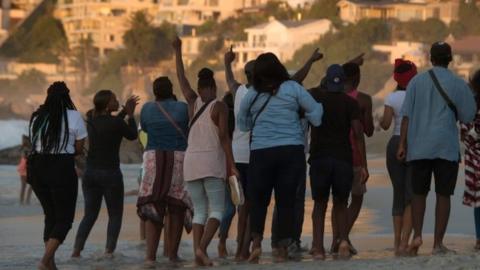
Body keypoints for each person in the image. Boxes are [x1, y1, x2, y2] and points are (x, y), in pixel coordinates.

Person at [222, 46, 324, 260]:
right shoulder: (293, 88)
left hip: (262, 152)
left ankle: (257, 243)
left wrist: (258, 124)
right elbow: (316, 112)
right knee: (286, 200)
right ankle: (281, 248)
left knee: (259, 199)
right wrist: (307, 117)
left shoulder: (252, 94)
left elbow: (243, 122)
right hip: (291, 151)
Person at [397, 42, 476, 255]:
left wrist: (402, 144)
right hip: (445, 146)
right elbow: (468, 115)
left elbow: (406, 115)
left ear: (431, 59)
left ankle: (418, 236)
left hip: (419, 146)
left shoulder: (416, 82)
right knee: (443, 195)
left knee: (418, 194)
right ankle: (438, 244)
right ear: (450, 59)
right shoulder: (458, 84)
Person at [173, 36, 238, 267]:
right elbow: (223, 137)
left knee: (200, 210)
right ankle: (202, 250)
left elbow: (181, 77)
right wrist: (232, 165)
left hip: (191, 163)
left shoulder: (192, 101)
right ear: (213, 87)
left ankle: (198, 256)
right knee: (218, 210)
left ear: (200, 88)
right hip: (212, 161)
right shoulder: (219, 106)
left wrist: (177, 50)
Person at [308, 64, 367, 260]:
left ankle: (318, 248)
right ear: (343, 83)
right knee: (341, 203)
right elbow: (358, 133)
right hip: (343, 158)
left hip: (320, 159)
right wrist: (364, 165)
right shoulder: (351, 104)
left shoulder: (316, 99)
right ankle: (342, 241)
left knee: (320, 205)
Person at [72, 91, 139, 258]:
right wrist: (130, 116)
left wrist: (124, 112)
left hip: (90, 173)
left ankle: (76, 251)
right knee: (115, 215)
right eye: (115, 100)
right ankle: (109, 252)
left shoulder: (91, 119)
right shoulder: (115, 123)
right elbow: (132, 134)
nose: (118, 101)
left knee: (90, 215)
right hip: (111, 174)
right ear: (108, 105)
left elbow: (112, 122)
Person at [29, 82, 87, 270]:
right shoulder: (74, 116)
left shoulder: (37, 116)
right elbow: (78, 149)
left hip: (37, 167)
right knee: (64, 220)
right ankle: (44, 262)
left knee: (51, 216)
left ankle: (51, 267)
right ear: (67, 97)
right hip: (61, 168)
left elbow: (34, 142)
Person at [136, 76, 192, 266]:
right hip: (179, 157)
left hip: (153, 157)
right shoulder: (183, 108)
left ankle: (150, 257)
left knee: (154, 206)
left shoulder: (147, 108)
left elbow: (144, 128)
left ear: (155, 92)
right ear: (171, 90)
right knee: (176, 206)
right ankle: (173, 256)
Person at [331, 62, 373, 254]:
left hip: (336, 153)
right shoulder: (363, 99)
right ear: (357, 77)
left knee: (339, 201)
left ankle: (336, 239)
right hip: (355, 155)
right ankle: (343, 237)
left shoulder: (332, 96)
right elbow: (369, 131)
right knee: (356, 199)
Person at [379, 59, 417, 255]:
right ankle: (405, 242)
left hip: (394, 143)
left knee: (398, 193)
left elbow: (385, 124)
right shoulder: (418, 97)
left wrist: (379, 119)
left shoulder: (392, 98)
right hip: (415, 145)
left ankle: (396, 242)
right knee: (411, 196)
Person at [461, 69, 480, 250]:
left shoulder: (470, 105)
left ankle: (479, 239)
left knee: (478, 200)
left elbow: (464, 133)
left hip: (474, 157)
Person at [18, 135, 33, 205]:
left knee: (32, 185)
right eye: (23, 140)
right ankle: (22, 201)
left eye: (24, 139)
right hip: (24, 167)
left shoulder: (30, 148)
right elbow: (25, 156)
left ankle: (27, 200)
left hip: (29, 167)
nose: (23, 141)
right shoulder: (23, 148)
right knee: (24, 186)